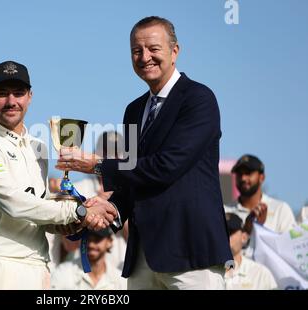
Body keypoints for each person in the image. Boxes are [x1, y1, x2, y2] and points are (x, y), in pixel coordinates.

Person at [58, 16, 232, 289]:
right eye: (136, 51)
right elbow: (133, 177)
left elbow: (166, 166)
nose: (144, 57)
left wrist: (98, 165)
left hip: (191, 252)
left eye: (153, 48)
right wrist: (111, 207)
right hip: (142, 256)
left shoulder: (199, 99)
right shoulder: (134, 110)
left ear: (175, 51)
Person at [0, 60, 116, 289]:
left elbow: (37, 208)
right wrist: (79, 211)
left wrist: (69, 223)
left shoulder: (38, 147)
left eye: (18, 93)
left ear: (30, 96)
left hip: (38, 265)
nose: (11, 101)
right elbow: (15, 204)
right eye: (2, 94)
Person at [73, 131, 127, 270]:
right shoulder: (78, 188)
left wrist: (116, 205)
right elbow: (69, 244)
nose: (110, 157)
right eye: (104, 151)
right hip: (81, 272)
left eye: (116, 152)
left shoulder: (132, 189)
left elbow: (134, 237)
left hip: (120, 271)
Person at [224, 154, 296, 257]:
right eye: (239, 174)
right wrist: (246, 231)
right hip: (234, 272)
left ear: (262, 177)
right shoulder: (224, 211)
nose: (243, 178)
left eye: (248, 173)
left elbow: (291, 251)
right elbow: (220, 252)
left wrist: (261, 228)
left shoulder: (280, 209)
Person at [51, 228, 127, 290]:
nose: (91, 244)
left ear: (109, 241)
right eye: (87, 239)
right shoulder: (63, 272)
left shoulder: (120, 280)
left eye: (97, 239)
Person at [224, 213, 277, 290]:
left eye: (230, 232)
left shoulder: (260, 274)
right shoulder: (204, 272)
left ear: (244, 237)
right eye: (220, 232)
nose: (225, 236)